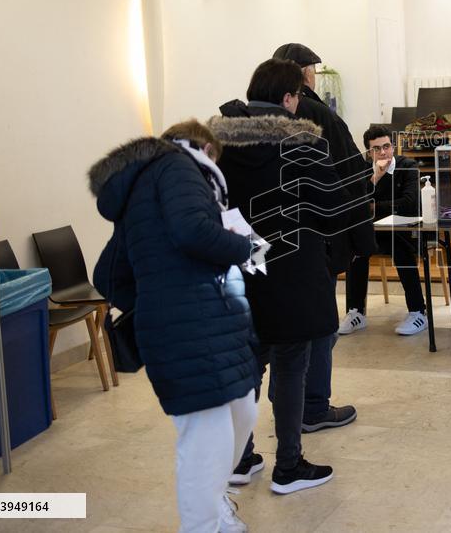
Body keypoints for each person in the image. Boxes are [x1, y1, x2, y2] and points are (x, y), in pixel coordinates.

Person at [89, 120, 257, 532]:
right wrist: (245, 246)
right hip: (191, 330)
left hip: (205, 325)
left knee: (241, 415)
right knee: (206, 443)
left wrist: (153, 298)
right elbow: (192, 230)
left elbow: (107, 273)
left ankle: (215, 506)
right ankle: (203, 525)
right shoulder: (178, 165)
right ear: (206, 149)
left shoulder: (148, 184)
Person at [210, 58, 350, 495]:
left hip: (241, 266)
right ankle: (288, 466)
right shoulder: (303, 143)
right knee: (291, 364)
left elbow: (209, 205)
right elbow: (330, 208)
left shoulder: (218, 143)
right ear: (289, 98)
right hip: (293, 271)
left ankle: (239, 458)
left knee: (248, 362)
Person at [341, 125, 428, 336]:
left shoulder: (407, 166)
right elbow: (355, 204)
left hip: (403, 231)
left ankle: (418, 312)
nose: (383, 153)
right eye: (376, 149)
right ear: (369, 153)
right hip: (374, 233)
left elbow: (409, 203)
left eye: (386, 146)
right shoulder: (364, 170)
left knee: (401, 247)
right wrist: (375, 179)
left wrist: (374, 207)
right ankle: (356, 312)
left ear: (393, 146)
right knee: (356, 248)